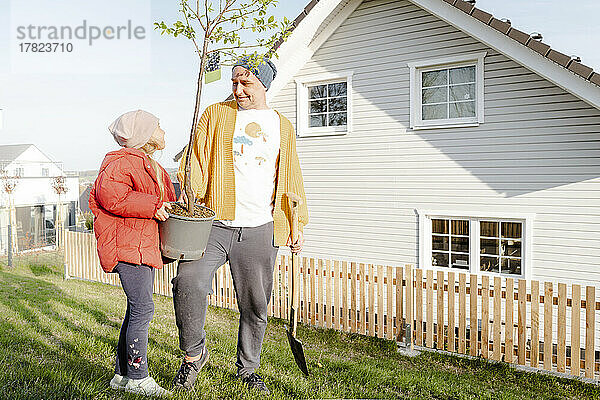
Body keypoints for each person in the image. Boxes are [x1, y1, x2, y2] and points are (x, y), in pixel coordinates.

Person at [171, 57, 309, 394]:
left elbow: (290, 177)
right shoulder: (216, 114)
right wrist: (192, 192)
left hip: (261, 227)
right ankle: (194, 356)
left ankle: (247, 369)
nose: (238, 89)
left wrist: (296, 223)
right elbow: (196, 158)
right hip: (214, 224)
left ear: (263, 84)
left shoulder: (282, 125)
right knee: (188, 282)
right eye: (234, 82)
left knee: (255, 304)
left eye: (245, 83)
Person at [89, 110, 176, 397]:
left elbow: (166, 198)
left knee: (135, 310)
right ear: (144, 135)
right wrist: (153, 206)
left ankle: (121, 375)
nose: (164, 130)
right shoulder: (121, 162)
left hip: (140, 246)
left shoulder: (150, 165)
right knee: (143, 308)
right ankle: (139, 376)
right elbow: (113, 197)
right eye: (159, 126)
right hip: (127, 246)